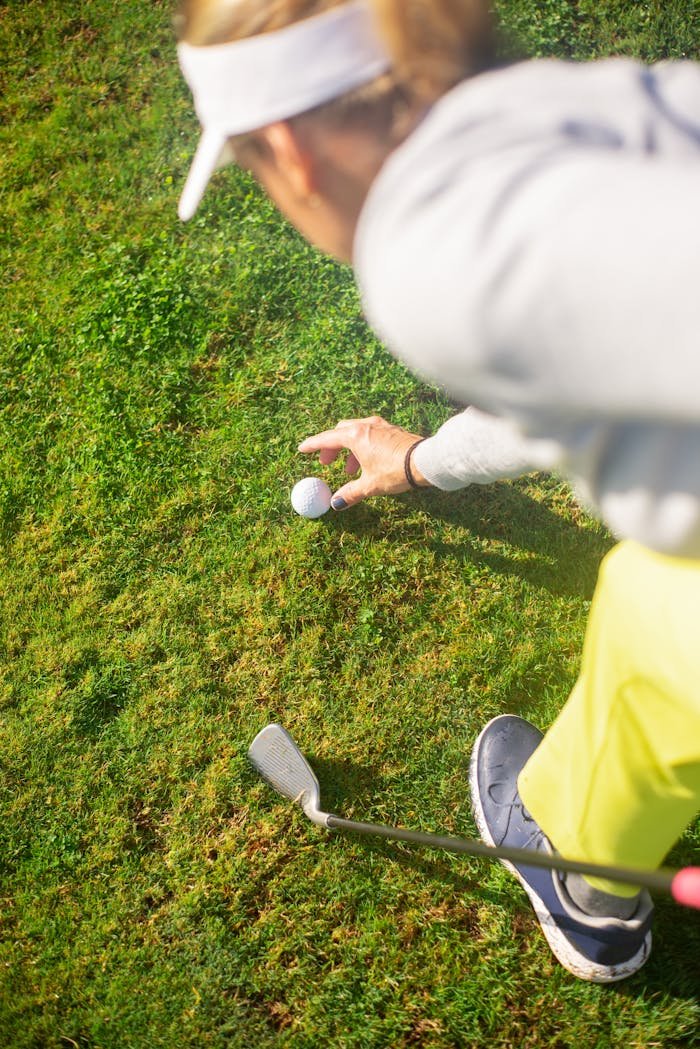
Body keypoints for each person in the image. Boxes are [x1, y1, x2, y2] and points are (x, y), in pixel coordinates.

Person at [174, 0, 700, 982]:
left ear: (289, 152)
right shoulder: (569, 110)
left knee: (660, 616)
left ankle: (579, 878)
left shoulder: (429, 256)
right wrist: (419, 460)